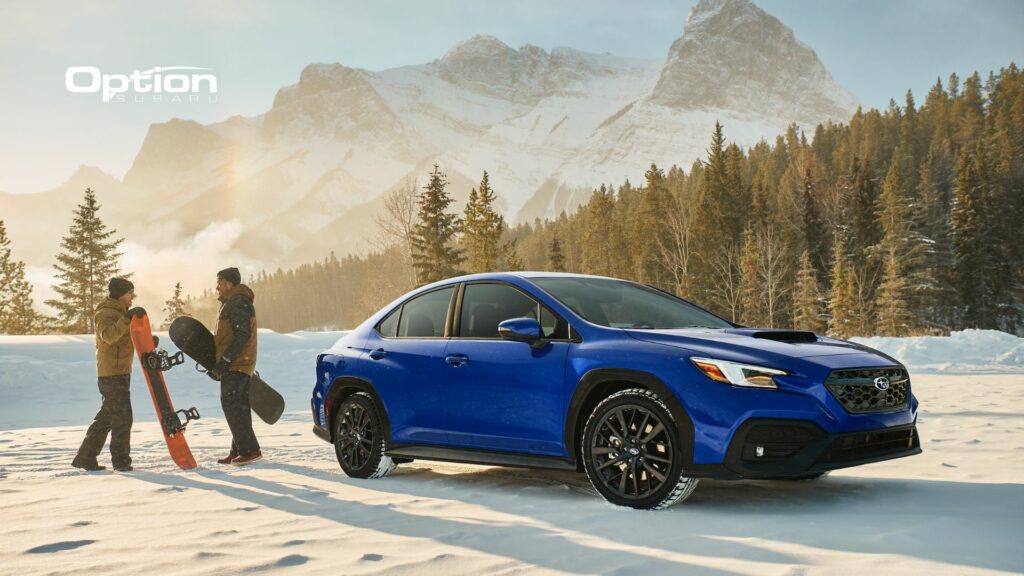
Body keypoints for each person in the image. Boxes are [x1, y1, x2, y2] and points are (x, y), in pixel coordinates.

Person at [72, 277, 141, 472]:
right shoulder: (106, 313)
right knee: (122, 418)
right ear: (121, 294)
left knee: (109, 417)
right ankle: (120, 461)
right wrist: (127, 319)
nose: (133, 296)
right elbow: (109, 336)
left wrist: (146, 339)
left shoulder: (120, 312)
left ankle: (85, 457)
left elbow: (125, 338)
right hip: (111, 375)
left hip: (119, 372)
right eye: (130, 293)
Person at [211, 267, 262, 465]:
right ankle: (239, 449)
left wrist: (225, 361)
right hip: (237, 362)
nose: (217, 287)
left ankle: (250, 450)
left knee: (231, 404)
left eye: (220, 282)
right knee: (238, 406)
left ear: (229, 283)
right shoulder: (234, 301)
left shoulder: (238, 301)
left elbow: (242, 334)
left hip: (238, 362)